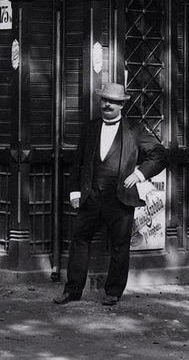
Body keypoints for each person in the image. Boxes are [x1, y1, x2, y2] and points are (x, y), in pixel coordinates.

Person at [54, 80, 169, 308]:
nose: (108, 105)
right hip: (92, 196)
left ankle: (113, 292)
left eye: (114, 102)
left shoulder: (134, 130)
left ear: (122, 105)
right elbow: (78, 163)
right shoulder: (91, 128)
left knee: (120, 245)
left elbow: (159, 154)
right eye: (105, 100)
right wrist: (75, 192)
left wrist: (139, 175)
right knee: (79, 239)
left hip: (120, 197)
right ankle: (73, 290)